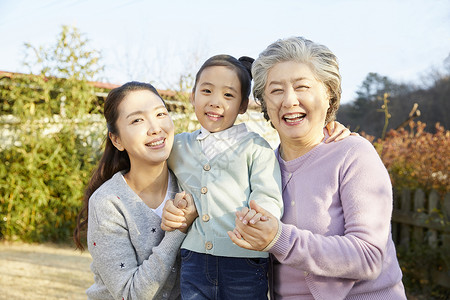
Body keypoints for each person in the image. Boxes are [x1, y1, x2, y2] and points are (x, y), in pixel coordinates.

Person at [228, 37, 407, 300]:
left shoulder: (353, 154)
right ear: (264, 102)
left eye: (302, 87)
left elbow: (369, 257)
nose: (289, 101)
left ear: (328, 94)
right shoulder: (260, 164)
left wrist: (280, 238)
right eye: (276, 90)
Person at [161, 54, 352, 300]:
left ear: (242, 105)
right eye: (206, 91)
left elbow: (269, 193)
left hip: (244, 262)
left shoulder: (255, 148)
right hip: (194, 258)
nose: (216, 102)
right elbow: (151, 165)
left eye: (229, 95)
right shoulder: (177, 146)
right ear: (192, 95)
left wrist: (259, 215)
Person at [73, 81, 197, 300]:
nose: (155, 128)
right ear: (117, 139)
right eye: (137, 120)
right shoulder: (108, 202)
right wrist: (178, 229)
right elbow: (130, 295)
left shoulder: (191, 184)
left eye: (160, 114)